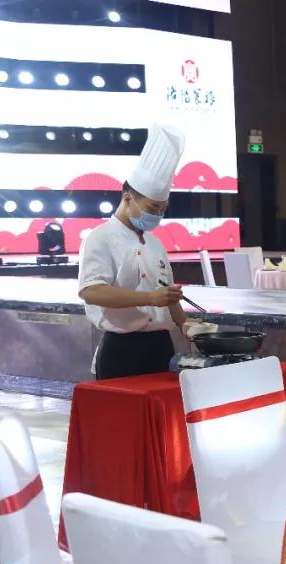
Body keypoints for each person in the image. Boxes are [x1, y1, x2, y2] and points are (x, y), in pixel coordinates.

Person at [78, 124, 197, 380]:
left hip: (161, 347)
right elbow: (92, 292)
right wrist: (150, 298)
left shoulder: (155, 243)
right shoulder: (100, 237)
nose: (157, 215)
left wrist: (184, 323)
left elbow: (167, 293)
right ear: (127, 198)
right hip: (121, 349)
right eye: (152, 208)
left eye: (162, 210)